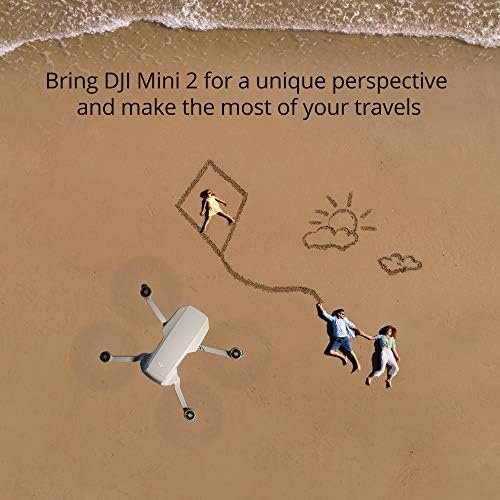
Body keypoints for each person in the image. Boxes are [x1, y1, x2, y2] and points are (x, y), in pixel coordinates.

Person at [316, 303, 371, 372]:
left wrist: (356, 329)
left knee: (351, 352)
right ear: (338, 314)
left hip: (345, 339)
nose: (343, 315)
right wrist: (320, 307)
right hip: (337, 339)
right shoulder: (334, 319)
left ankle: (357, 364)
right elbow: (325, 314)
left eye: (343, 314)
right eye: (342, 314)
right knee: (330, 352)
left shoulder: (344, 320)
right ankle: (343, 357)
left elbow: (351, 324)